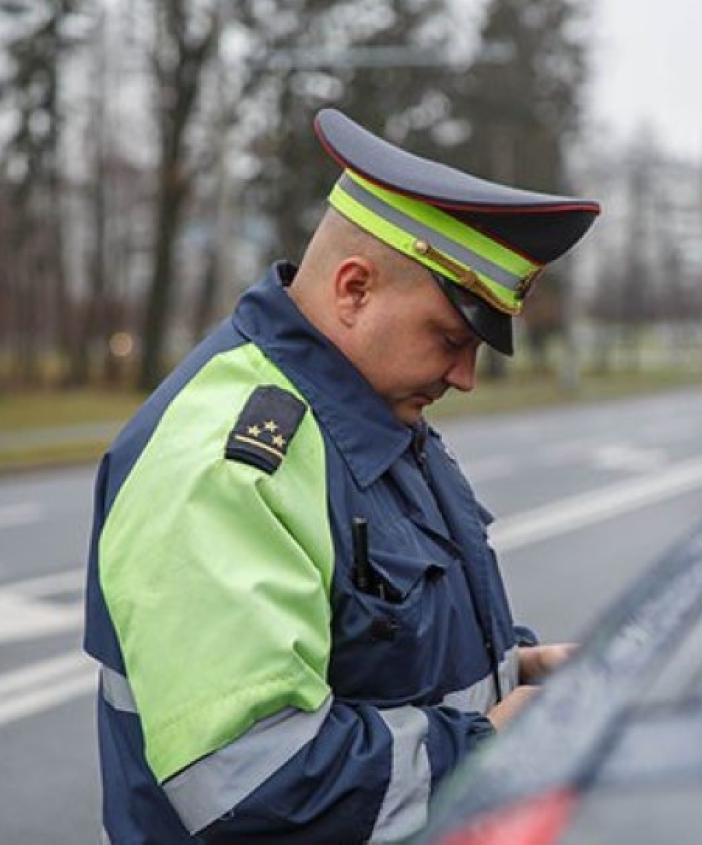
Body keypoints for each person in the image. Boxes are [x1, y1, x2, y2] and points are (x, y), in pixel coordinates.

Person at [83, 108, 601, 844]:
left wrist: (518, 670)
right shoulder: (229, 463)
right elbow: (253, 781)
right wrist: (489, 747)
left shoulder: (371, 418)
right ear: (354, 288)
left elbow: (375, 651)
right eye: (451, 338)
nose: (465, 376)